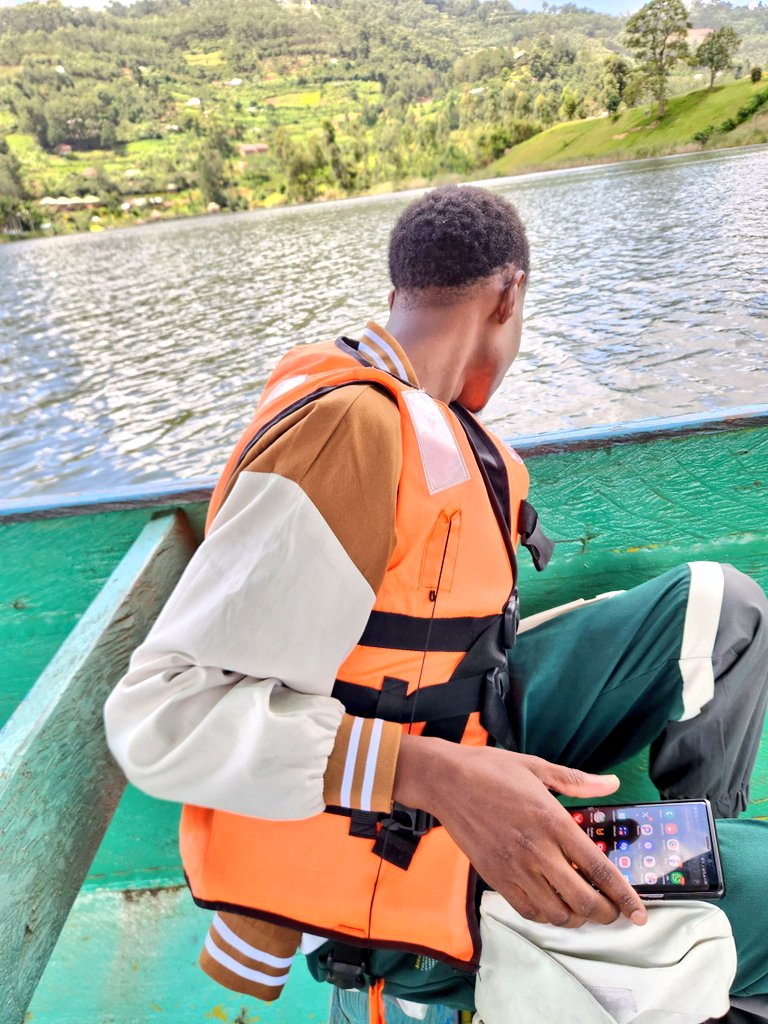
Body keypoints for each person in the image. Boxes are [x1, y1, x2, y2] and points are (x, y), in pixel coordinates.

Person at [104, 185, 768, 1024]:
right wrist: (429, 774)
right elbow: (157, 719)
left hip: (454, 731)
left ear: (398, 297)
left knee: (721, 605)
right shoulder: (349, 431)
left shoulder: (425, 414)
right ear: (508, 296)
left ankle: (679, 860)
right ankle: (637, 944)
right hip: (382, 859)